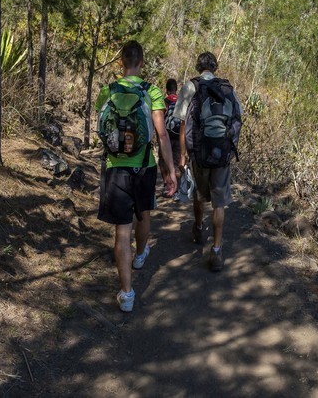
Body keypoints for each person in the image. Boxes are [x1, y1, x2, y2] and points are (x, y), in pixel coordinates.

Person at [95, 41, 178, 312]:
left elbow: (102, 129)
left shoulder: (107, 91)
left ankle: (127, 294)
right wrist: (171, 171)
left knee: (121, 230)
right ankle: (141, 255)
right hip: (144, 165)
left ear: (121, 62)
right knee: (144, 213)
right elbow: (162, 134)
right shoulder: (151, 91)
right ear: (141, 63)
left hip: (115, 167)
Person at [175, 51, 243, 272]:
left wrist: (182, 156)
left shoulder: (190, 87)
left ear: (198, 66)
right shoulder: (227, 89)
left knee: (199, 194)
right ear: (215, 67)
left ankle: (198, 226)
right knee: (219, 202)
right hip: (222, 155)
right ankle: (216, 249)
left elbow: (183, 125)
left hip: (199, 154)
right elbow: (237, 119)